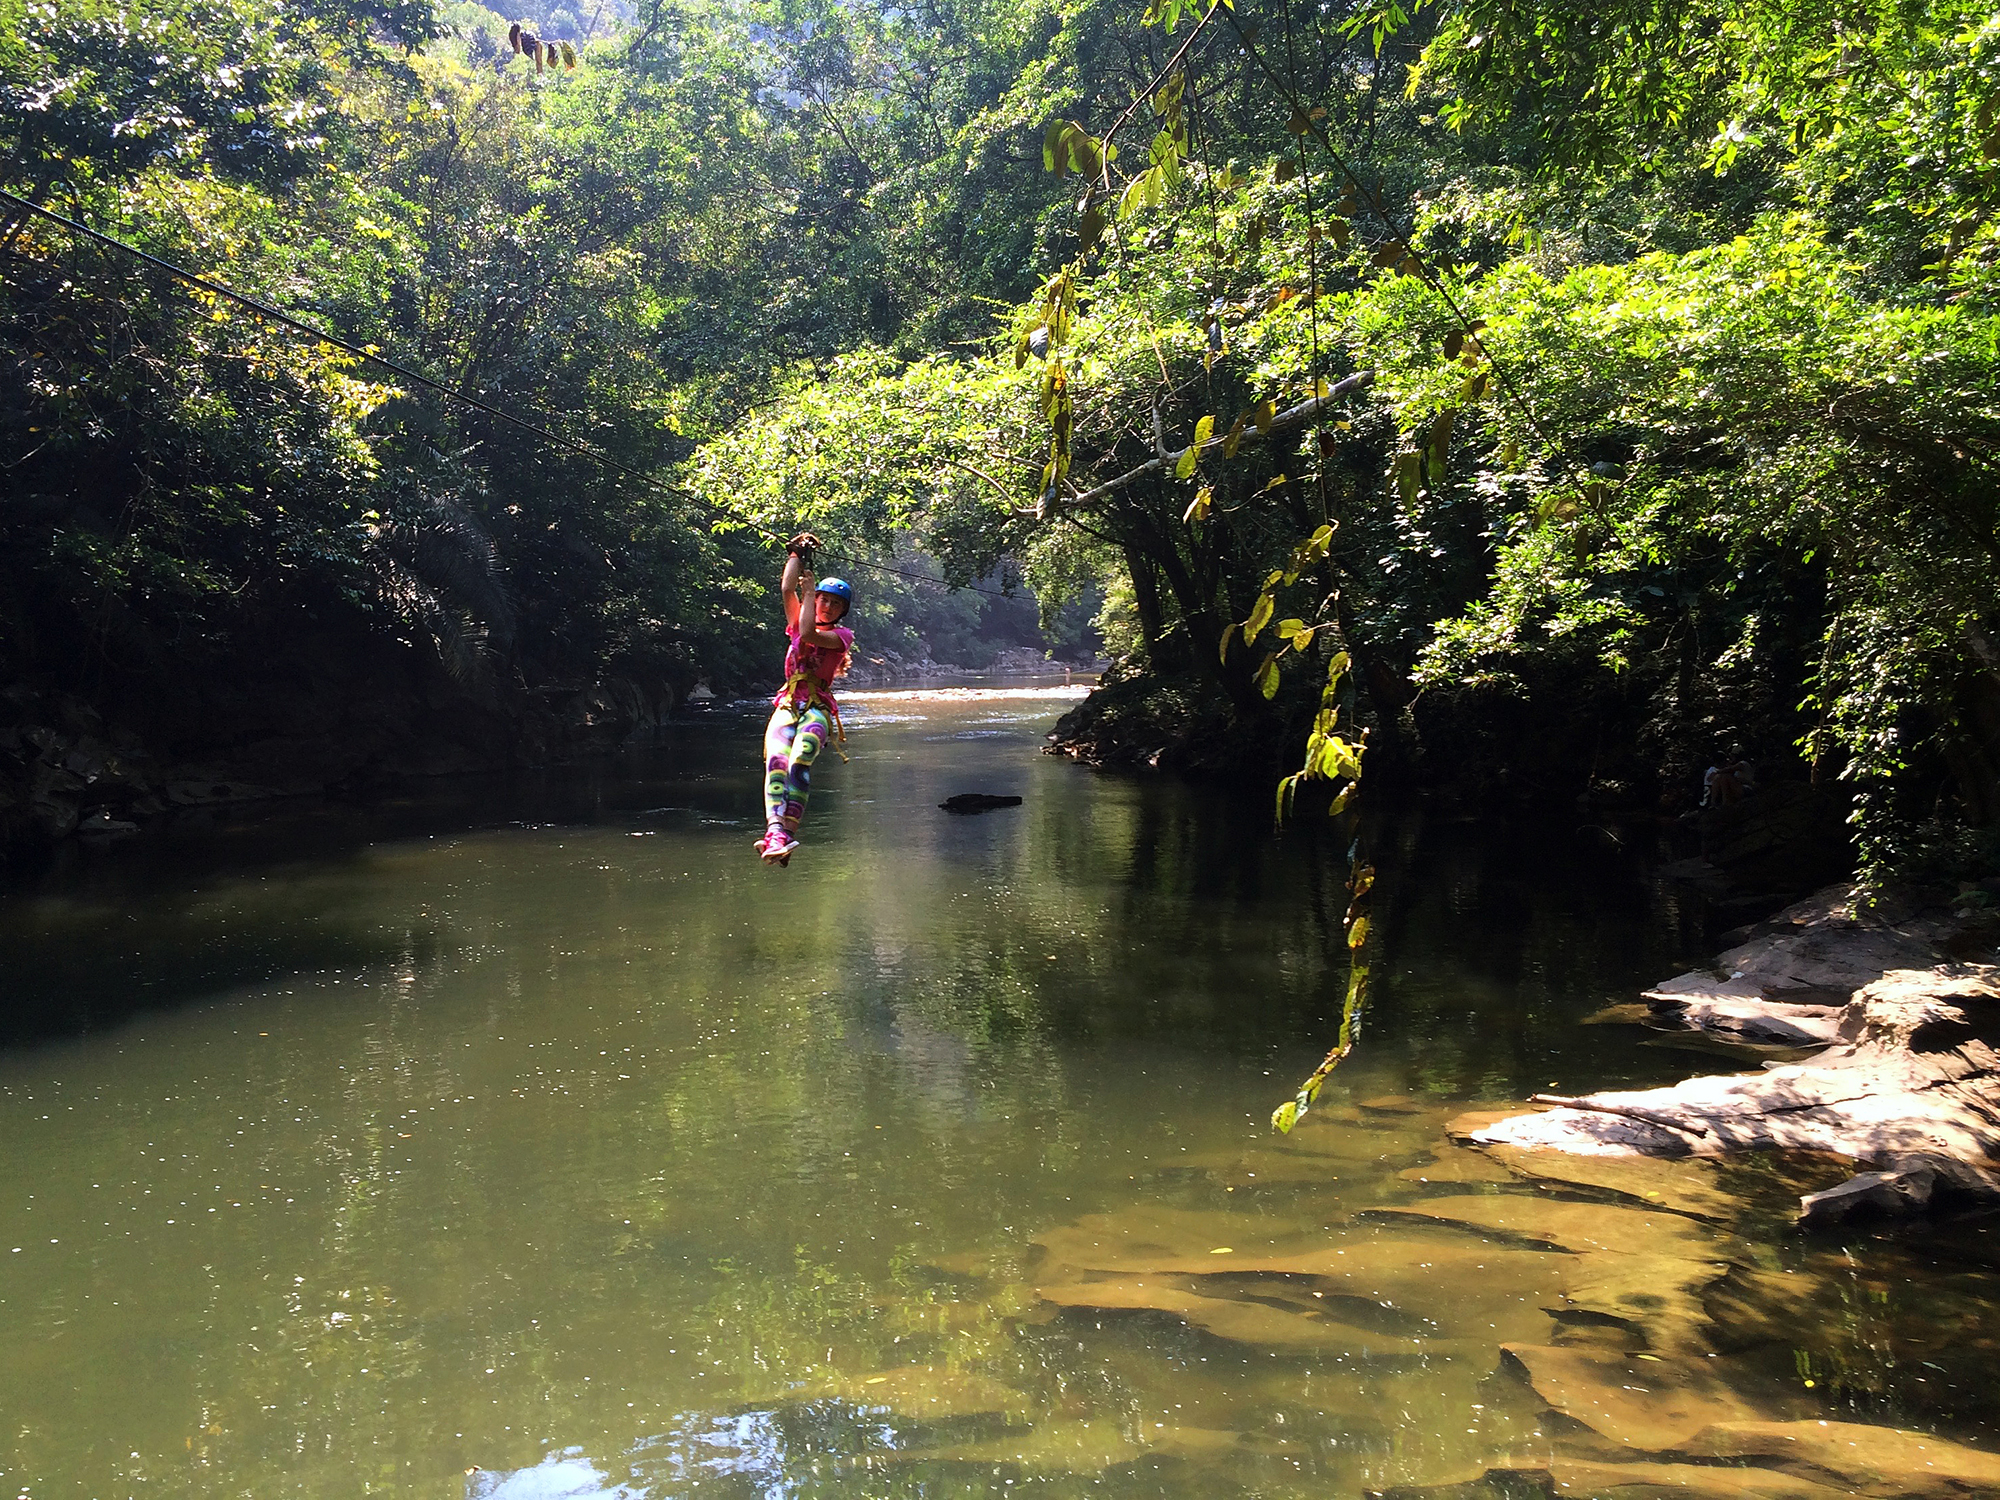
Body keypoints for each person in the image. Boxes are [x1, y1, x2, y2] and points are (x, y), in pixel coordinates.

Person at [757, 533, 854, 865]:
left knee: (801, 757)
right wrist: (796, 553)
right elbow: (787, 589)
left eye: (834, 603)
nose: (826, 605)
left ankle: (788, 831)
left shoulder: (841, 636)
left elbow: (811, 633)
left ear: (842, 612)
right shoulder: (797, 624)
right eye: (823, 600)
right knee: (776, 763)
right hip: (787, 702)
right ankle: (775, 832)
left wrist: (810, 591)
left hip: (817, 706)